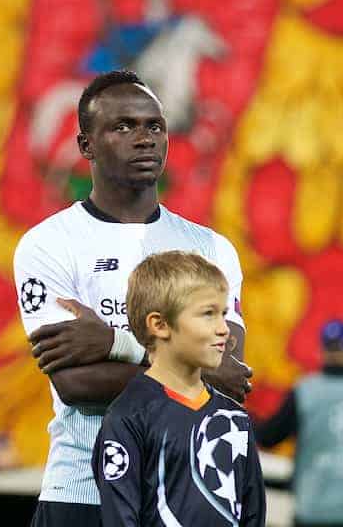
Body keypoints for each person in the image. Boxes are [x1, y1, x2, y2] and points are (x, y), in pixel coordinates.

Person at [14, 69, 252, 527]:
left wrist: (113, 344)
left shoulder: (210, 248)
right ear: (86, 146)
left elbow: (226, 376)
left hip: (189, 493)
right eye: (123, 127)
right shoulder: (48, 244)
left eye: (154, 126)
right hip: (83, 492)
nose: (144, 139)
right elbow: (76, 386)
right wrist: (183, 361)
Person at [93, 250, 266, 527]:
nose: (224, 330)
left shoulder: (235, 419)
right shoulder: (128, 417)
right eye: (208, 314)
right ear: (160, 325)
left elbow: (252, 515)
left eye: (223, 313)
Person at [256, 319, 343, 526]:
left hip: (316, 509)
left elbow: (268, 437)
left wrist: (239, 414)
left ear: (321, 351)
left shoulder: (304, 392)